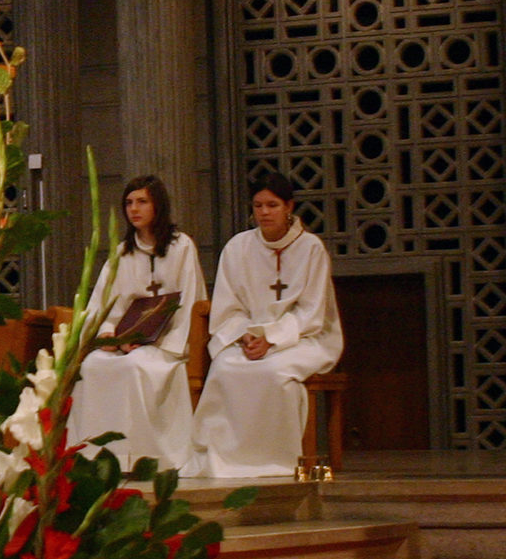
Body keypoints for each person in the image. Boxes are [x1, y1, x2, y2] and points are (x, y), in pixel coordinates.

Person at [187, 171, 344, 478]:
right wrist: (247, 336)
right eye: (258, 206)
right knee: (226, 368)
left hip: (302, 338)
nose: (264, 212)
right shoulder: (237, 247)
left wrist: (272, 338)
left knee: (274, 372)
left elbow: (311, 312)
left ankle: (274, 461)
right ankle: (229, 459)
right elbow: (227, 308)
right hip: (246, 338)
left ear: (289, 207)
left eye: (272, 205)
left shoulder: (311, 248)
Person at [65, 176, 205, 472]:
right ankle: (97, 457)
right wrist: (110, 338)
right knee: (92, 366)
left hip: (165, 341)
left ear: (158, 205)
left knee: (136, 366)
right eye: (129, 203)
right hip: (122, 341)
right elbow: (102, 306)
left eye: (142, 201)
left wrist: (154, 341)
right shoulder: (121, 253)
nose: (134, 209)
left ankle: (145, 458)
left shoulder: (182, 247)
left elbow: (191, 301)